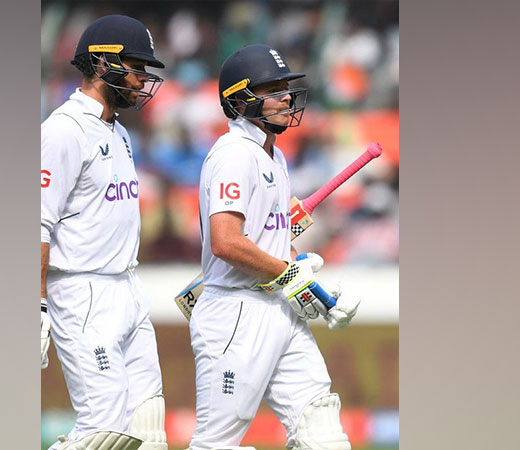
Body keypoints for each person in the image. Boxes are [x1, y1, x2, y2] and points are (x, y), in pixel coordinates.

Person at [190, 44, 361, 450]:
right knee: (217, 444)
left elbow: (271, 247)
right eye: (273, 89)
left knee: (322, 435)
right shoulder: (234, 155)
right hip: (235, 314)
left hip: (277, 309)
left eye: (286, 87)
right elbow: (227, 243)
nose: (287, 97)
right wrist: (287, 273)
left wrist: (311, 286)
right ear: (241, 99)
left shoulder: (274, 157)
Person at [40, 15, 167, 450]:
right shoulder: (63, 130)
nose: (142, 80)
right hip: (82, 293)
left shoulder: (121, 133)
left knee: (148, 426)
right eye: (135, 67)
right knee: (104, 432)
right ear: (101, 64)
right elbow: (36, 223)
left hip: (127, 287)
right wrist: (37, 305)